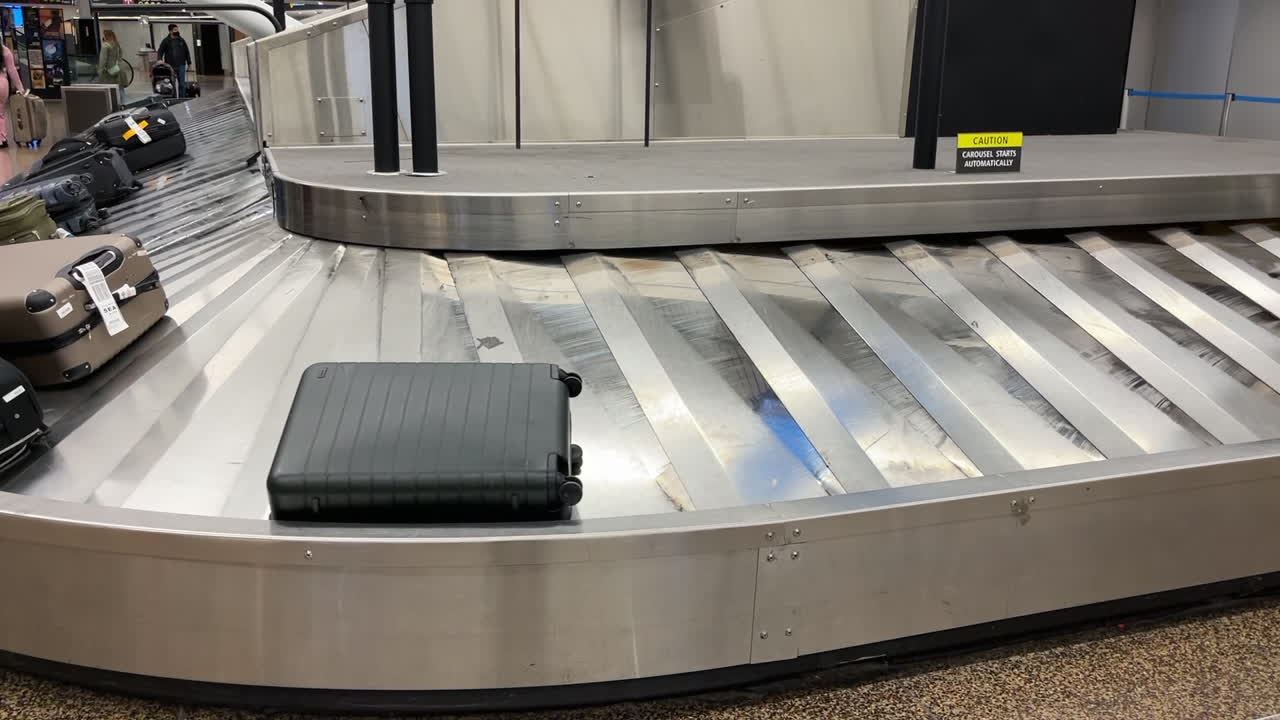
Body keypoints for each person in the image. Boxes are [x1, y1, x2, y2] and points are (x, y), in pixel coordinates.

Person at [0, 44, 25, 149]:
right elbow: (12, 70)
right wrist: (20, 88)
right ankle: (2, 138)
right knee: (1, 113)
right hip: (2, 83)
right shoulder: (4, 50)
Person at [156, 24, 191, 98]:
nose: (177, 31)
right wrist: (159, 60)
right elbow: (160, 51)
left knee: (182, 84)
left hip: (181, 65)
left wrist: (189, 64)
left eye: (177, 29)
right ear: (170, 31)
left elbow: (186, 52)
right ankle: (173, 99)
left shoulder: (181, 40)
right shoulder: (166, 41)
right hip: (170, 66)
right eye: (175, 30)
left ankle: (182, 98)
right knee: (172, 84)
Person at [98, 29, 125, 103]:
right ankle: (123, 103)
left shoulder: (105, 46)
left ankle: (113, 104)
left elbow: (103, 60)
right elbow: (120, 57)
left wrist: (100, 70)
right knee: (120, 88)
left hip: (108, 71)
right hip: (117, 69)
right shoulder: (117, 45)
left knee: (110, 89)